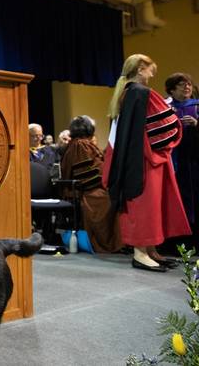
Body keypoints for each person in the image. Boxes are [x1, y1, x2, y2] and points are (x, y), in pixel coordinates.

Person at [103, 54, 190, 272]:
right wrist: (176, 119)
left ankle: (150, 250)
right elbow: (167, 123)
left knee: (148, 204)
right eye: (151, 69)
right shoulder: (143, 93)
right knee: (145, 204)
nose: (153, 74)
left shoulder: (124, 94)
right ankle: (140, 253)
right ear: (141, 68)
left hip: (133, 158)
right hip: (145, 160)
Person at [60, 115, 121, 253]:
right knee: (109, 198)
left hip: (87, 187)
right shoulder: (81, 145)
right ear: (88, 129)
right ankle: (108, 243)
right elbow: (88, 173)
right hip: (86, 190)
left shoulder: (78, 144)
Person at [165, 72, 199, 249]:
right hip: (174, 162)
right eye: (181, 85)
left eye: (189, 84)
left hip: (195, 161)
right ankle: (180, 244)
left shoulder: (197, 106)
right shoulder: (164, 108)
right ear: (171, 90)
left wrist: (196, 124)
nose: (187, 87)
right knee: (178, 203)